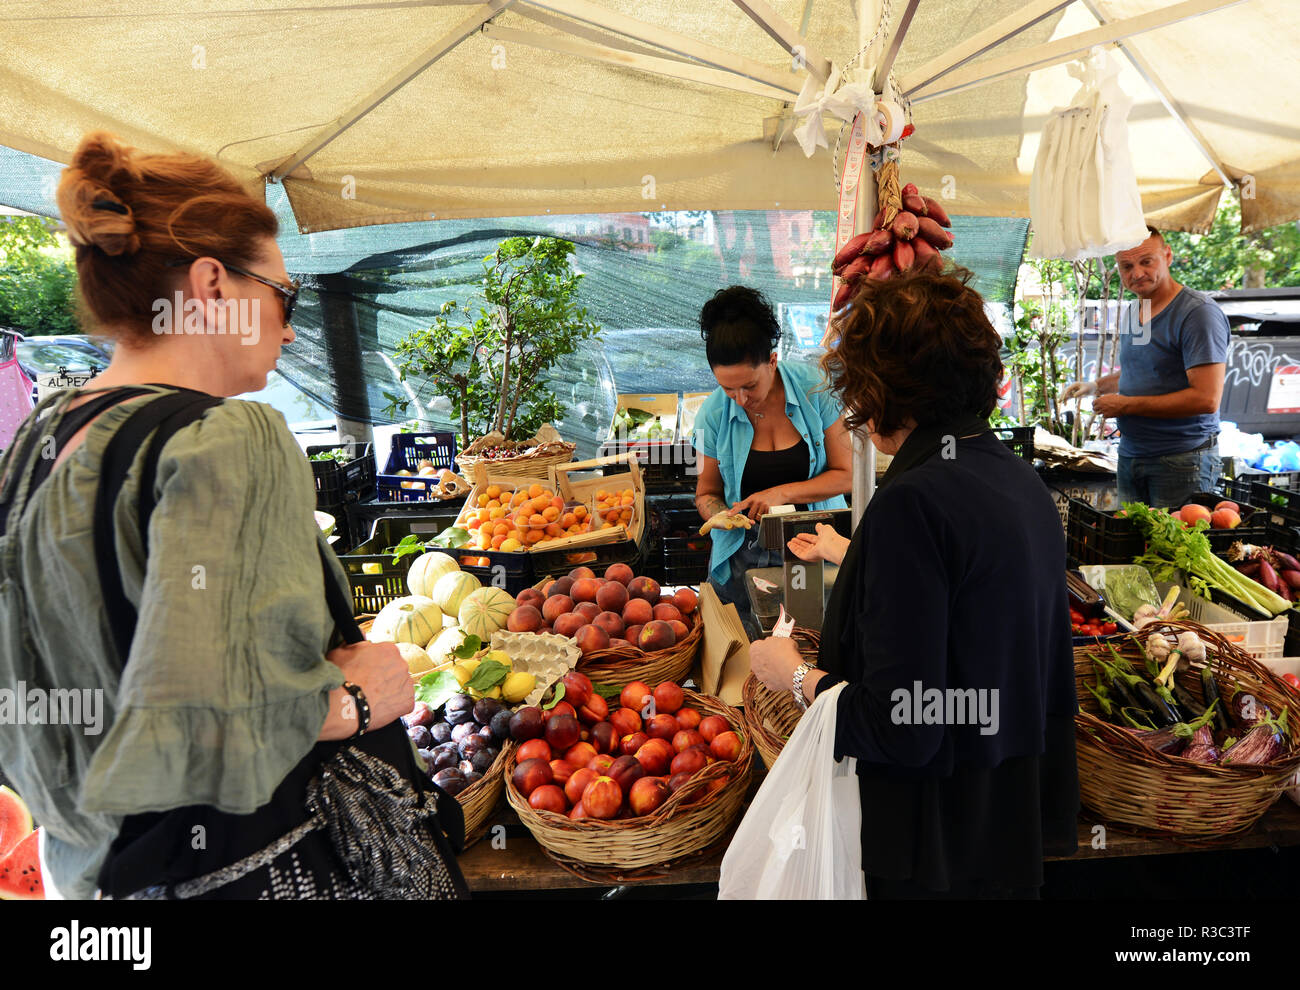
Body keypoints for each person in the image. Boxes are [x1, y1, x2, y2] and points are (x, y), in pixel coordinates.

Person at [0, 132, 467, 900]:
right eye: (283, 296)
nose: (288, 328)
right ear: (212, 283)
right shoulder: (229, 439)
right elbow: (213, 724)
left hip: (89, 883)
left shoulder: (38, 442)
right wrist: (354, 702)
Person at [749, 267, 1079, 899]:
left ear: (882, 388)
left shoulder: (914, 503)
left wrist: (792, 674)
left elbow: (904, 723)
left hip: (933, 846)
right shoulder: (1019, 482)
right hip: (1003, 826)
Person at [689, 286, 852, 639]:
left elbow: (848, 475)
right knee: (752, 655)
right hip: (745, 555)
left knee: (818, 644)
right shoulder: (711, 414)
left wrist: (780, 494)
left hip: (818, 541)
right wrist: (720, 514)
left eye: (749, 386)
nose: (740, 399)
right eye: (727, 388)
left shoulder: (816, 390)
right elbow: (705, 493)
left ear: (773, 361)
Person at [1061, 226, 1230, 506]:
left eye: (1146, 261)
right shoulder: (1137, 309)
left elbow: (1206, 398)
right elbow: (1141, 371)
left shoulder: (1197, 314)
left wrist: (1125, 405)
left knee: (1173, 549)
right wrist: (1095, 387)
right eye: (1126, 266)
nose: (1136, 273)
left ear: (1168, 256)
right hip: (1132, 455)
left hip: (1181, 459)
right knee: (1134, 547)